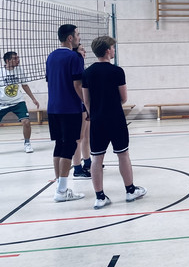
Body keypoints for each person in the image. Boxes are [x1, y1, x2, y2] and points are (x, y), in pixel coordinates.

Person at [82, 36, 145, 210]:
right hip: (115, 118)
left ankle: (100, 197)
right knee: (123, 154)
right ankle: (130, 191)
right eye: (112, 47)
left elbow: (86, 101)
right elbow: (124, 98)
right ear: (108, 50)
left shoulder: (87, 73)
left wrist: (94, 112)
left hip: (97, 120)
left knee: (96, 158)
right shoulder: (117, 71)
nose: (114, 50)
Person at [46, 24, 86, 202]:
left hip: (53, 108)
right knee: (69, 146)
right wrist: (87, 103)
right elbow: (77, 85)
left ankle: (60, 187)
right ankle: (61, 191)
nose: (79, 37)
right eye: (77, 35)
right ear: (70, 38)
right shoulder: (74, 57)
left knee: (59, 146)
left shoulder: (51, 56)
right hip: (69, 108)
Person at [0, 52, 40, 157]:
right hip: (1, 102)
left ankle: (27, 143)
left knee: (26, 122)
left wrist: (33, 99)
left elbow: (25, 85)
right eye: (15, 58)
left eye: (18, 58)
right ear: (8, 61)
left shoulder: (19, 70)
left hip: (18, 102)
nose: (18, 60)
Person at [71, 44, 92, 179]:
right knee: (78, 138)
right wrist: (85, 102)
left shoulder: (81, 66)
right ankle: (77, 168)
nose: (84, 52)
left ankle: (88, 161)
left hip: (84, 105)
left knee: (86, 136)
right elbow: (77, 85)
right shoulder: (75, 63)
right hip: (78, 105)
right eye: (81, 49)